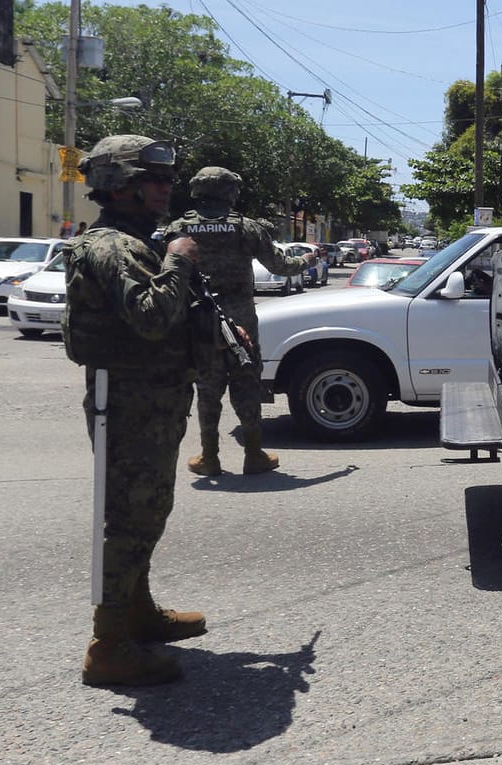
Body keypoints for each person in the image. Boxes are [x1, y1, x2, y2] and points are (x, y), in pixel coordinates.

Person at [62, 134, 210, 687]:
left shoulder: (136, 240)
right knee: (127, 519)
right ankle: (108, 644)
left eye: (166, 179)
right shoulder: (112, 247)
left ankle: (137, 612)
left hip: (154, 400)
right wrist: (178, 263)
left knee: (149, 512)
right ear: (119, 186)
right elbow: (150, 316)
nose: (165, 188)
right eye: (152, 180)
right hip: (128, 404)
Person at [165, 166, 313, 477]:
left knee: (208, 387)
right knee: (245, 380)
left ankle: (210, 456)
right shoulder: (247, 228)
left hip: (199, 317)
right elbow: (280, 265)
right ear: (229, 192)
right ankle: (254, 453)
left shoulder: (179, 228)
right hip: (241, 315)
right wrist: (307, 261)